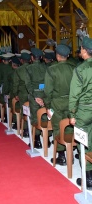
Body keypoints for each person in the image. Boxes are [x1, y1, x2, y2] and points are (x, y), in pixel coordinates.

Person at [43, 44, 75, 165]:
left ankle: (61, 156)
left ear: (57, 56)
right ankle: (70, 154)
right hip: (72, 101)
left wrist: (47, 106)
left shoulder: (52, 69)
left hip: (57, 102)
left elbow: (48, 91)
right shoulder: (74, 68)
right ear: (67, 55)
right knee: (70, 126)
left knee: (57, 127)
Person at [69, 36, 92, 189]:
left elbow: (74, 94)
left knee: (82, 141)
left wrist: (72, 114)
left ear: (84, 50)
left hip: (84, 110)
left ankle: (88, 178)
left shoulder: (80, 69)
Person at [25, 48, 47, 148]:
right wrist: (42, 93)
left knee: (34, 118)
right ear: (41, 57)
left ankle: (37, 141)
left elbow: (28, 85)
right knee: (45, 116)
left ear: (32, 57)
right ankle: (47, 138)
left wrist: (35, 96)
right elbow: (46, 83)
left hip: (34, 96)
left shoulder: (28, 68)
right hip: (44, 95)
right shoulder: (46, 67)